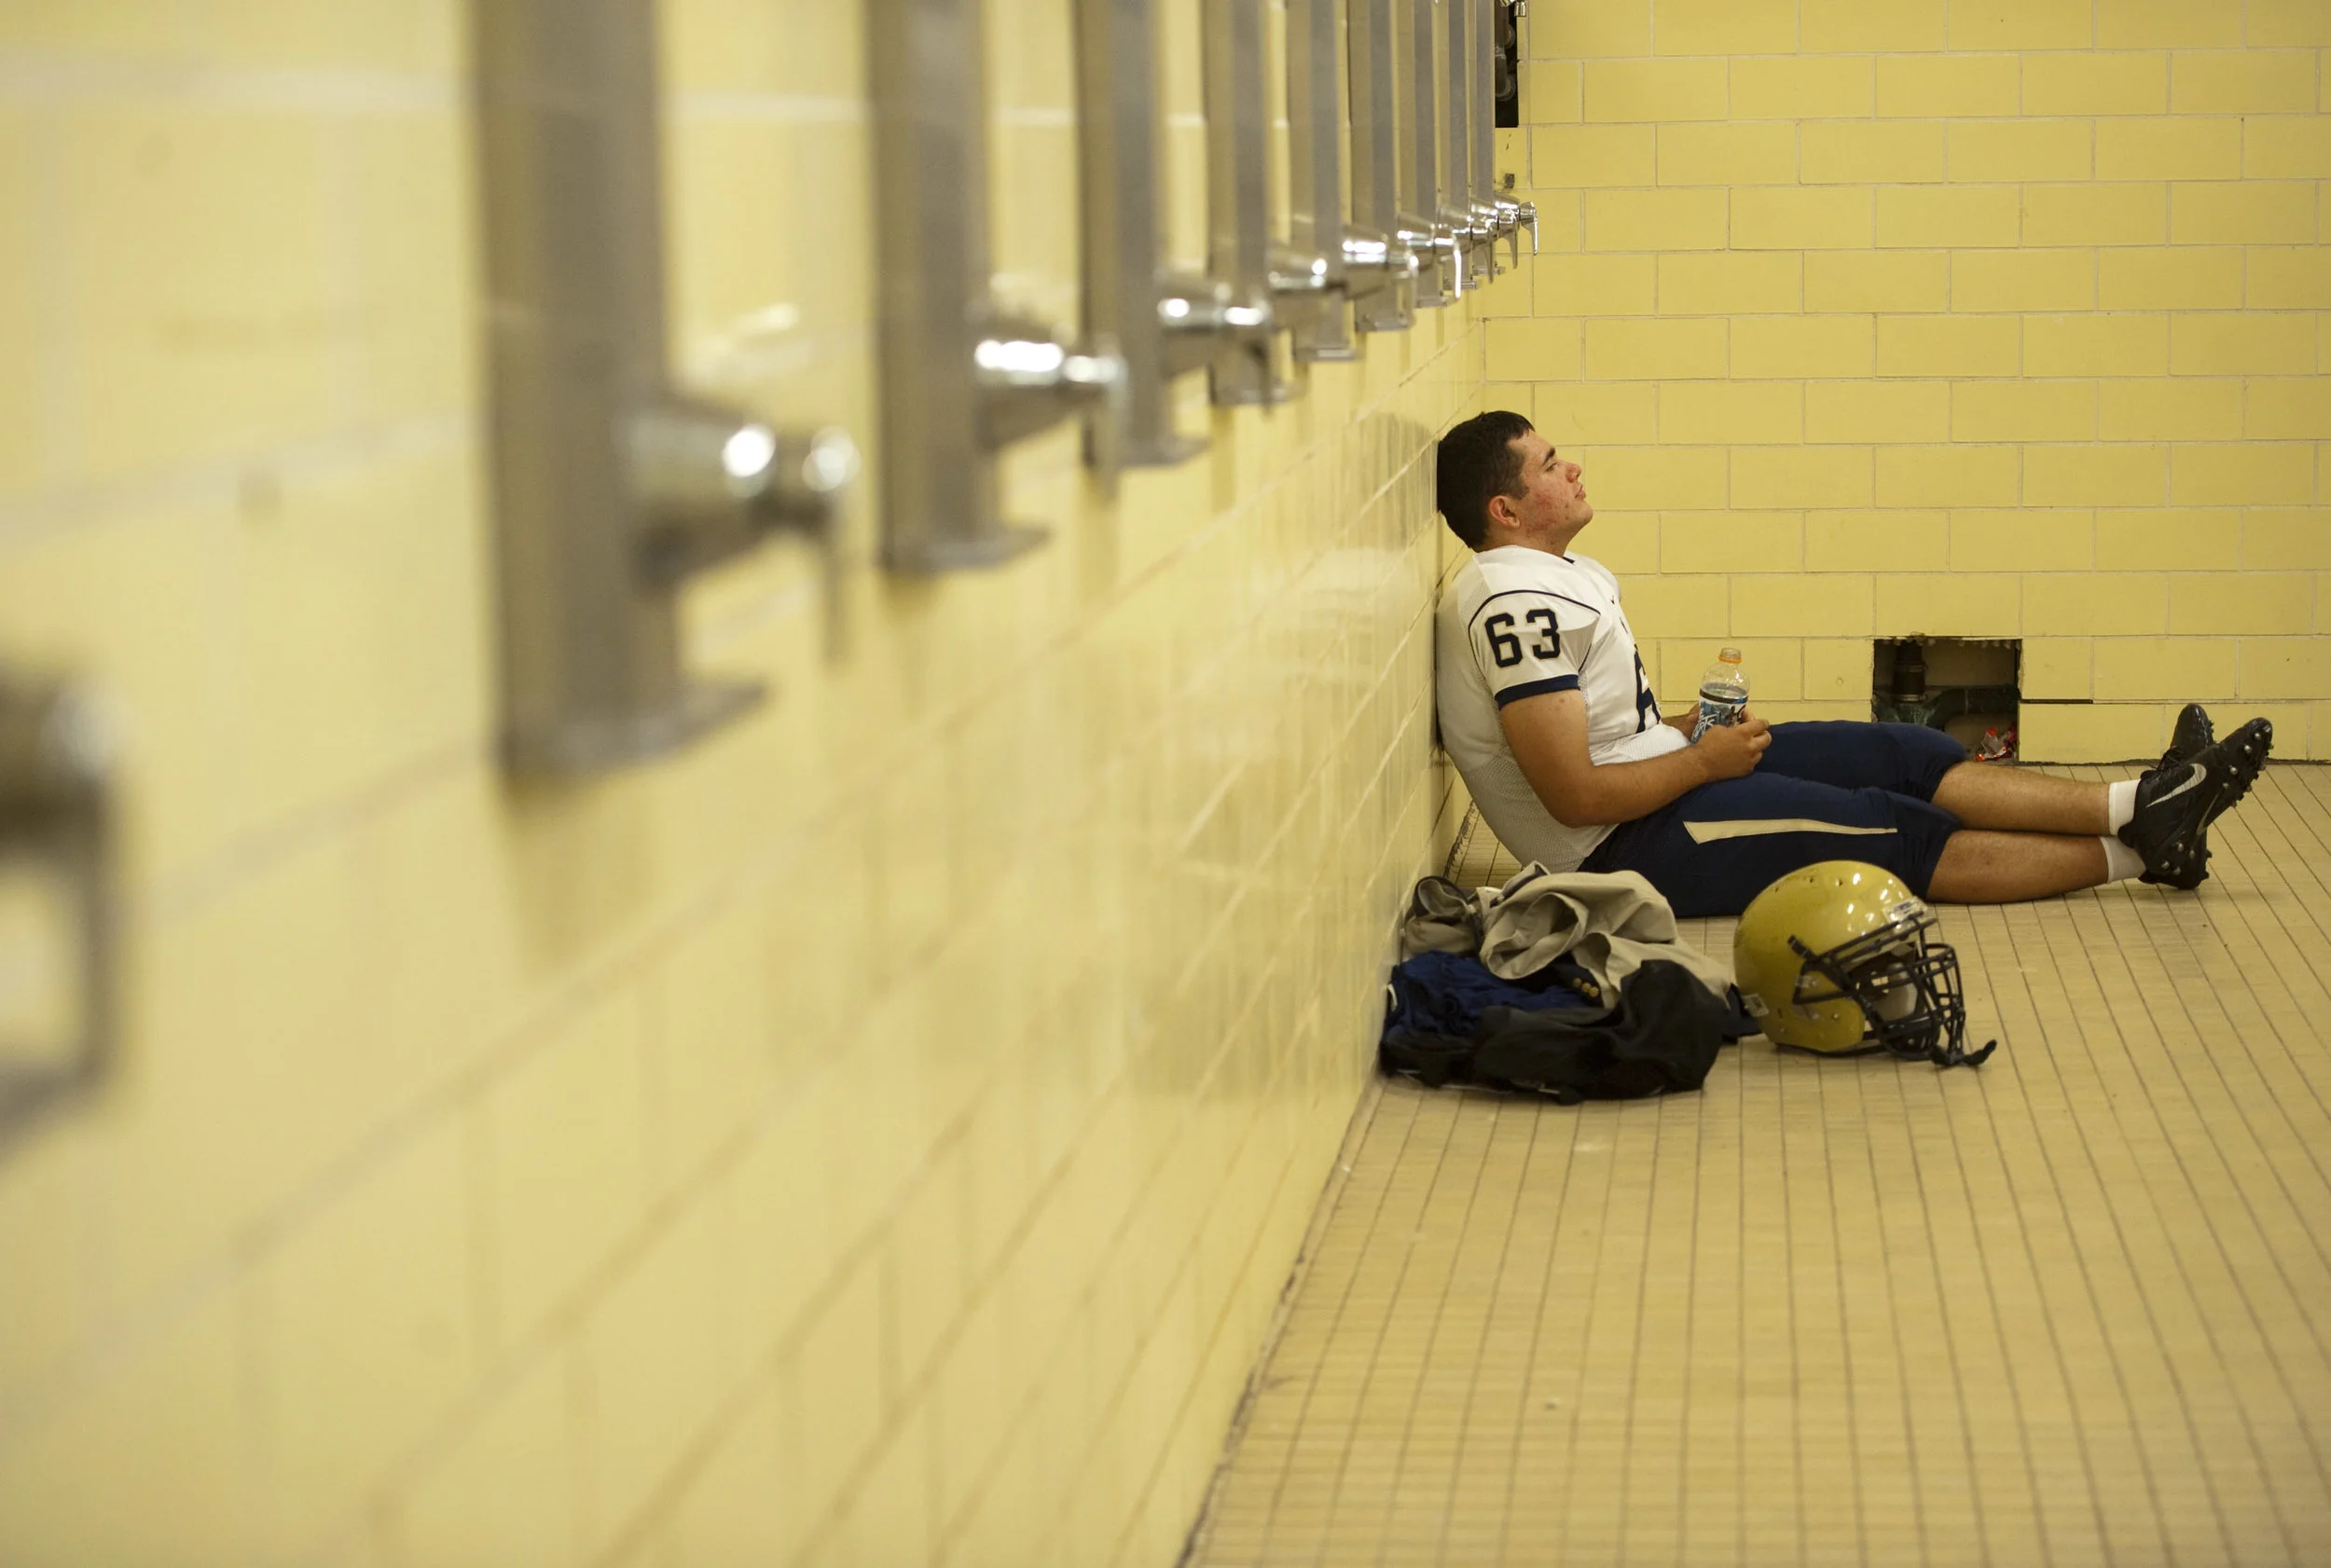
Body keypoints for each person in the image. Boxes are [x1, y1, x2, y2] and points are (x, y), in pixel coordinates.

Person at [1432, 409, 2274, 918]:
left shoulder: (1561, 575)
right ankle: (2140, 850)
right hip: (1624, 846)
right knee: (1887, 830)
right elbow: (1574, 795)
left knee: (1896, 753)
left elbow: (1602, 733)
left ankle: (2138, 800)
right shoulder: (1517, 607)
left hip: (1660, 776)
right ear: (1506, 510)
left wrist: (1688, 730)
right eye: (1548, 465)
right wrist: (1698, 761)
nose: (1571, 466)